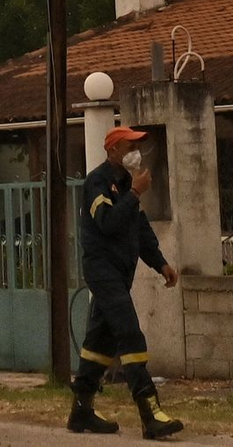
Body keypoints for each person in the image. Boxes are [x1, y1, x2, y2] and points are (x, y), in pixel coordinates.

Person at [68, 126, 184, 440]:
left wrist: (161, 263)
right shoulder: (98, 181)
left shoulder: (128, 185)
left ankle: (81, 409)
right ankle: (150, 412)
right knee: (130, 334)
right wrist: (134, 194)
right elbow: (106, 223)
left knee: (99, 342)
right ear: (112, 151)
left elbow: (139, 231)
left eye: (138, 144)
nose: (137, 150)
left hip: (121, 273)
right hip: (102, 271)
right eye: (129, 144)